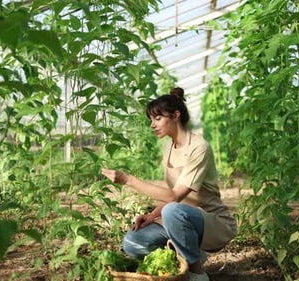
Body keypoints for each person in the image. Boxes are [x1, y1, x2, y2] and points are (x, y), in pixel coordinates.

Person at [101, 87, 237, 281]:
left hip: (210, 221)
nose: (152, 125)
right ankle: (186, 252)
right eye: (151, 120)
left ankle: (197, 272)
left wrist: (128, 180)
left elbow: (174, 196)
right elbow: (174, 199)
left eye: (157, 119)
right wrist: (151, 216)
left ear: (176, 115)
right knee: (133, 243)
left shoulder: (199, 147)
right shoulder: (169, 147)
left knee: (172, 211)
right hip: (178, 217)